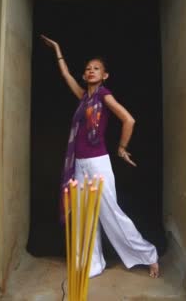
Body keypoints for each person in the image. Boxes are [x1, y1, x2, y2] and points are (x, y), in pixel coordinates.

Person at [41, 34, 160, 279]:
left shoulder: (103, 95)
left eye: (96, 68)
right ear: (84, 76)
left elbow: (128, 119)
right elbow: (66, 76)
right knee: (85, 216)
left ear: (104, 75)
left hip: (97, 163)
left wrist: (121, 148)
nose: (91, 71)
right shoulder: (84, 98)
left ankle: (149, 255)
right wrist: (58, 50)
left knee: (111, 214)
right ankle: (92, 264)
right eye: (87, 69)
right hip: (80, 165)